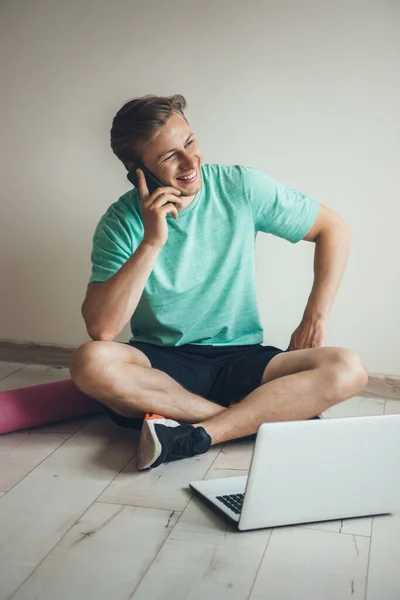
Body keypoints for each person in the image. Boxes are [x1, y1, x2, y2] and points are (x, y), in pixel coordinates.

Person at [70, 94, 368, 470]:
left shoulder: (239, 186)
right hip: (163, 366)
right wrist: (152, 241)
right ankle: (250, 423)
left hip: (241, 357)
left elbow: (334, 229)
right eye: (168, 156)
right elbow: (102, 328)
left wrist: (315, 318)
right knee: (90, 362)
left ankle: (198, 434)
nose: (190, 161)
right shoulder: (120, 221)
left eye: (190, 142)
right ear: (136, 169)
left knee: (348, 367)